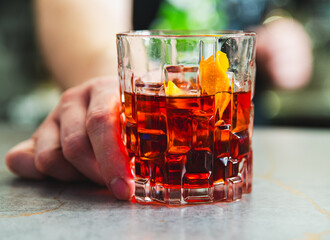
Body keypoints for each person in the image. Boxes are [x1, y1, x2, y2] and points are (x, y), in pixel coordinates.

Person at [5, 0, 312, 200]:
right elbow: (92, 46)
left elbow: (267, 16)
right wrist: (111, 93)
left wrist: (282, 31)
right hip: (152, 150)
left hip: (236, 139)